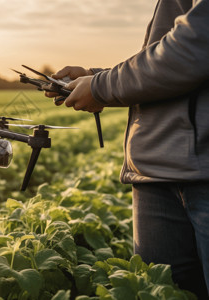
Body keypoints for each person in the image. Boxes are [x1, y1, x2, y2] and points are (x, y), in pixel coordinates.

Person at [45, 0, 209, 298]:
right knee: (158, 291)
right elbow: (162, 55)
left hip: (201, 175)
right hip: (156, 173)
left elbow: (194, 47)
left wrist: (100, 86)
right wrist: (94, 76)